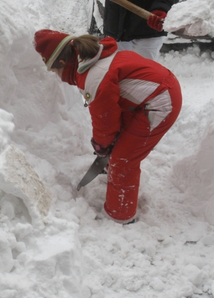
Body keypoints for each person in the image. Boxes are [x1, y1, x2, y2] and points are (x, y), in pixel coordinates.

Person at [33, 29, 182, 224]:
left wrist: (102, 146)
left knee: (123, 160)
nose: (58, 76)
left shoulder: (94, 77)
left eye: (55, 71)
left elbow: (105, 122)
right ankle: (114, 176)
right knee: (119, 144)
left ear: (62, 63)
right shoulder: (93, 59)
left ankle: (120, 216)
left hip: (160, 101)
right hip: (148, 95)